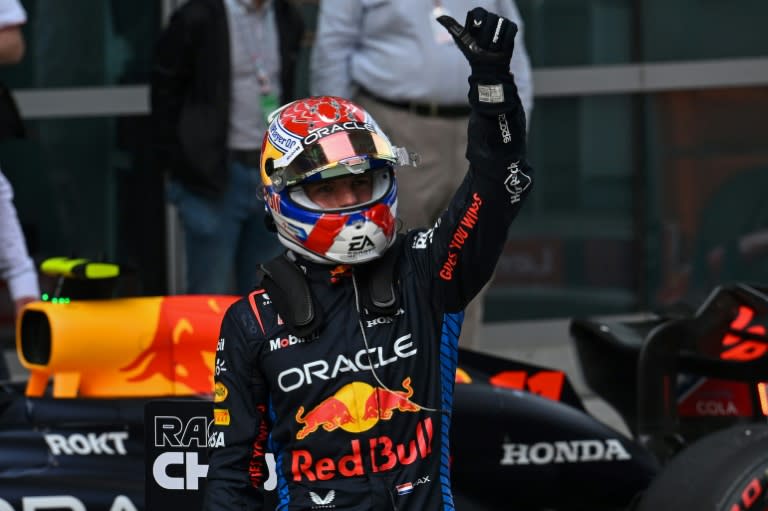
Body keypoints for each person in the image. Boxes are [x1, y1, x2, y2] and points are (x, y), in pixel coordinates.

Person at [204, 8, 533, 510]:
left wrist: (493, 91)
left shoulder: (426, 274)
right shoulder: (251, 322)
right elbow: (233, 480)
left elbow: (497, 185)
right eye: (330, 190)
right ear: (281, 197)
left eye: (362, 183)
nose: (351, 202)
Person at [310, 0, 533, 350]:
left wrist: (512, 133)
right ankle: (390, 381)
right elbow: (333, 48)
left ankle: (460, 379)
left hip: (475, 127)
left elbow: (512, 47)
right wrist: (339, 144)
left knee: (472, 259)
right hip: (396, 127)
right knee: (389, 261)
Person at [150, 0, 305, 295]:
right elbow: (165, 98)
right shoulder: (198, 16)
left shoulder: (285, 17)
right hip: (214, 177)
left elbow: (286, 86)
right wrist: (182, 168)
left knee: (268, 294)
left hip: (271, 174)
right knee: (210, 294)